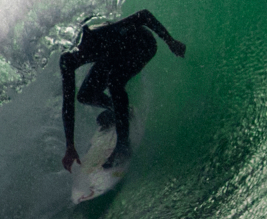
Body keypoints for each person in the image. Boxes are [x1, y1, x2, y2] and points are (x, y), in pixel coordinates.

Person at [61, 9, 186, 171]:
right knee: (85, 95)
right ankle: (121, 111)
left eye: (84, 46)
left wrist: (170, 41)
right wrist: (70, 145)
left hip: (141, 44)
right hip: (111, 56)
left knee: (115, 82)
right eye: (78, 51)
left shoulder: (102, 33)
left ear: (87, 36)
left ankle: (123, 146)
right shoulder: (68, 60)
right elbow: (68, 104)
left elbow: (144, 15)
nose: (81, 52)